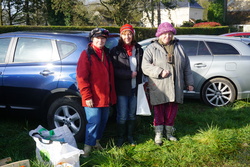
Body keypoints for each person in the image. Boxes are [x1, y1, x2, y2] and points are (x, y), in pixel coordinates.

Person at [141, 22, 194, 145]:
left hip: (176, 85)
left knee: (172, 110)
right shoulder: (151, 48)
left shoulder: (179, 47)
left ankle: (169, 133)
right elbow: (145, 66)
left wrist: (190, 83)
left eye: (170, 33)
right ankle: (158, 134)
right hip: (159, 86)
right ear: (159, 35)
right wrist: (159, 71)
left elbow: (186, 67)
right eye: (164, 34)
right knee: (159, 110)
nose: (167, 36)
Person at [76, 28, 116, 157]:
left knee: (103, 121)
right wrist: (87, 96)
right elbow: (82, 78)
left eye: (103, 38)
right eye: (98, 38)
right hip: (92, 97)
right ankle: (87, 149)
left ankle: (96, 143)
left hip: (105, 97)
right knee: (94, 122)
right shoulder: (86, 54)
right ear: (92, 39)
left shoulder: (107, 53)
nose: (101, 40)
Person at [110, 24, 143, 147]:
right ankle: (120, 138)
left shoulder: (138, 49)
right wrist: (129, 74)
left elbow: (142, 67)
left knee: (131, 115)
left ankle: (130, 137)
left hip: (135, 88)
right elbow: (114, 70)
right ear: (121, 35)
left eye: (129, 34)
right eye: (124, 34)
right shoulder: (116, 51)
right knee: (122, 115)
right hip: (122, 89)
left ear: (133, 34)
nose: (127, 36)